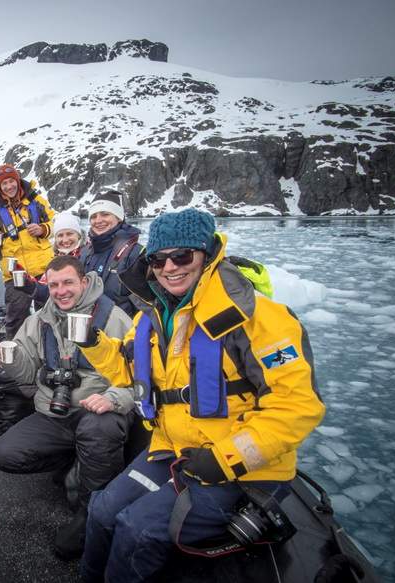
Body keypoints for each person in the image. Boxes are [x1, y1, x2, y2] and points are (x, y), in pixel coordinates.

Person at [74, 208, 325, 582]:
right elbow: (129, 373)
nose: (169, 267)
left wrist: (226, 458)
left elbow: (297, 407)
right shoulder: (152, 317)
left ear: (207, 254)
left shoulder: (259, 318)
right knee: (103, 510)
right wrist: (93, 343)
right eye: (159, 259)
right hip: (173, 450)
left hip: (241, 470)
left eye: (182, 256)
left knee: (137, 528)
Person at [0, 255, 140, 559]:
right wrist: (10, 358)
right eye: (54, 284)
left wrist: (113, 398)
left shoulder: (115, 318)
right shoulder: (38, 320)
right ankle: (75, 462)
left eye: (68, 282)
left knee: (99, 427)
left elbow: (143, 380)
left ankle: (90, 513)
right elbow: (27, 375)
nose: (61, 291)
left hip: (99, 412)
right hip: (55, 412)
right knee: (4, 454)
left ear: (84, 282)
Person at [0, 163, 56, 337]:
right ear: (0, 187)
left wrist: (43, 229)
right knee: (15, 319)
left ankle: (51, 355)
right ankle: (17, 358)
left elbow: (55, 223)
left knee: (50, 316)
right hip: (15, 273)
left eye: (11, 181)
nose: (9, 186)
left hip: (44, 269)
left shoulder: (37, 202)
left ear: (18, 180)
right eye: (4, 184)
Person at [80, 190, 142, 318]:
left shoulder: (136, 254)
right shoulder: (85, 252)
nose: (98, 220)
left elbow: (145, 306)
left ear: (118, 217)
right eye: (93, 216)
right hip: (88, 329)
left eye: (105, 214)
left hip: (123, 332)